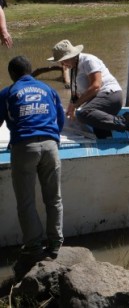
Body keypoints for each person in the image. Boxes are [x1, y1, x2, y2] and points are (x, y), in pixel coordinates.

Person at [0, 56, 65, 261]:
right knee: (54, 198)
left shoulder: (8, 92)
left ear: (12, 75)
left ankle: (34, 246)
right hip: (50, 146)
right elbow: (60, 120)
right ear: (31, 70)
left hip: (24, 148)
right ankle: (55, 243)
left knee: (26, 201)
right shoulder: (49, 90)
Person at [47, 39, 129, 139]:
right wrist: (71, 106)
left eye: (63, 61)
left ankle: (125, 122)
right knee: (100, 132)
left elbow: (96, 86)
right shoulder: (73, 69)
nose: (62, 65)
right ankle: (107, 145)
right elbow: (76, 94)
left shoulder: (88, 60)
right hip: (98, 101)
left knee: (84, 113)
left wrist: (76, 105)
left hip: (111, 95)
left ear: (71, 56)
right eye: (60, 62)